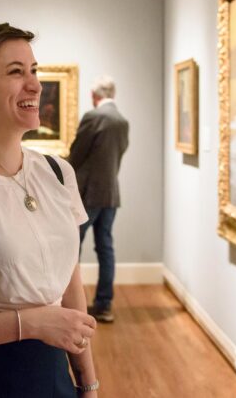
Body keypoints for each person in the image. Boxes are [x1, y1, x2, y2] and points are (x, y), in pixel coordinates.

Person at [0, 23, 99, 397]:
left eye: (34, 71)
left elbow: (71, 288)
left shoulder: (58, 173)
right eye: (16, 72)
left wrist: (88, 382)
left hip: (54, 377)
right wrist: (32, 323)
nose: (35, 85)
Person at [69, 75, 130, 323]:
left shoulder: (93, 117)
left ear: (94, 96)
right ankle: (104, 305)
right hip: (111, 194)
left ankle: (73, 305)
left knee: (72, 246)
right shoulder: (122, 121)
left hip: (88, 194)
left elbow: (76, 154)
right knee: (105, 247)